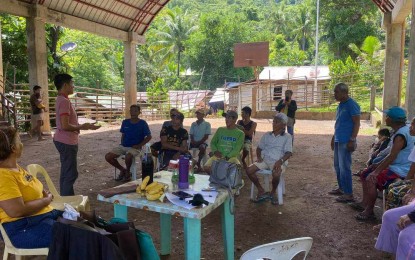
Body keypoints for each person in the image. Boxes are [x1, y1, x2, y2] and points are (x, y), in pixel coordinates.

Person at [0, 126, 62, 248]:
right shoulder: (3, 175)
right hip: (22, 227)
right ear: (13, 148)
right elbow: (16, 210)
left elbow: (31, 188)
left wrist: (43, 196)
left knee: (85, 223)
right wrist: (45, 200)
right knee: (84, 238)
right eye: (19, 140)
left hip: (41, 217)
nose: (22, 144)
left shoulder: (15, 168)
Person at [352, 107, 414, 221]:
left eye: (387, 116)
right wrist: (376, 164)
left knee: (371, 178)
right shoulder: (404, 130)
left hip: (400, 169)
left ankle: (369, 211)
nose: (385, 118)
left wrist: (376, 171)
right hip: (399, 166)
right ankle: (365, 203)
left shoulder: (401, 135)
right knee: (365, 173)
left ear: (392, 119)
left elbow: (392, 156)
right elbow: (391, 154)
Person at [53, 73, 101, 196]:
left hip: (63, 140)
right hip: (66, 141)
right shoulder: (64, 101)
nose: (73, 86)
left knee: (67, 172)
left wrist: (84, 126)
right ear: (65, 85)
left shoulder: (61, 99)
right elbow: (65, 126)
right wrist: (83, 126)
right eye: (72, 84)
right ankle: (69, 203)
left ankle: (66, 200)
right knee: (70, 174)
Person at [246, 113, 292, 205]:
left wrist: (280, 161)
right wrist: (258, 157)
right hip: (265, 159)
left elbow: (288, 153)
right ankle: (261, 190)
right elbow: (259, 148)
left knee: (276, 174)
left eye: (276, 122)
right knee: (249, 170)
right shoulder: (267, 135)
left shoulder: (287, 137)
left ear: (283, 125)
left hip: (278, 161)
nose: (273, 124)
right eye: (273, 121)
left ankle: (273, 192)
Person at [329, 82, 360, 203]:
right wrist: (333, 137)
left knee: (345, 167)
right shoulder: (341, 105)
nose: (334, 94)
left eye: (336, 92)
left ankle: (348, 194)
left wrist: (352, 139)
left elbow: (357, 123)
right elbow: (339, 123)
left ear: (344, 92)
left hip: (346, 140)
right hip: (338, 139)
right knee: (337, 166)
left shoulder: (352, 104)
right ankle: (342, 188)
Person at [105, 105, 152, 181]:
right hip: (123, 146)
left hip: (135, 147)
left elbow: (149, 136)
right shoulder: (125, 122)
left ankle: (127, 172)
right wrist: (122, 144)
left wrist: (139, 145)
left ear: (139, 112)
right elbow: (123, 135)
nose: (133, 112)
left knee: (128, 156)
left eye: (135, 111)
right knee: (108, 156)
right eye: (131, 110)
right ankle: (123, 170)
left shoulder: (142, 123)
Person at [203, 110, 244, 175]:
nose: (226, 120)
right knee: (206, 167)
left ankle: (221, 180)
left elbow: (237, 149)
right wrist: (215, 151)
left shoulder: (240, 133)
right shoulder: (220, 130)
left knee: (230, 169)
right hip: (218, 156)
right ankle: (219, 180)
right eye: (226, 118)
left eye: (229, 118)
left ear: (235, 119)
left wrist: (227, 157)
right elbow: (213, 143)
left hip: (232, 158)